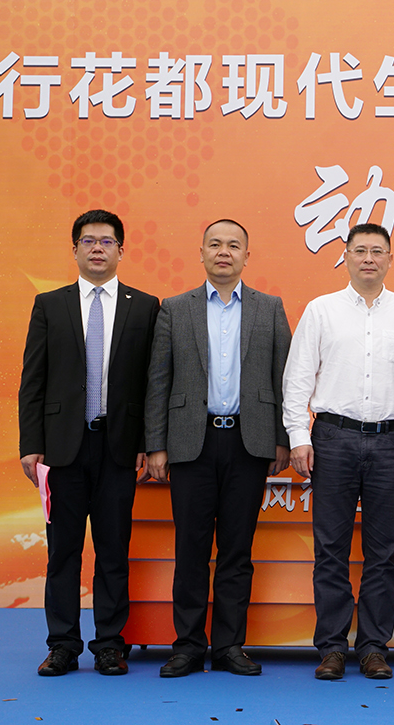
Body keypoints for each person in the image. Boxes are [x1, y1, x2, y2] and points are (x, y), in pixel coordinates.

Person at [144, 219, 292, 678]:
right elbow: (158, 380)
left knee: (236, 550)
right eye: (215, 244)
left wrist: (283, 438)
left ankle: (229, 645)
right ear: (202, 253)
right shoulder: (174, 309)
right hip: (191, 442)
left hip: (249, 442)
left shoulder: (270, 308)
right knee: (190, 548)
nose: (224, 252)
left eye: (233, 245)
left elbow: (285, 377)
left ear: (247, 256)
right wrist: (156, 444)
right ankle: (188, 646)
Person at [18, 209, 160, 676]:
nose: (97, 248)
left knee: (113, 550)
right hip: (62, 448)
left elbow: (152, 383)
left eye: (106, 241)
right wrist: (30, 443)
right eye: (88, 241)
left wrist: (147, 442)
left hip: (119, 447)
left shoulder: (145, 307)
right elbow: (33, 381)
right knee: (62, 551)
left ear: (122, 250)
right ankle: (62, 644)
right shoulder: (49, 305)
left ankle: (109, 645)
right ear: (75, 249)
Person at [282, 223, 394, 681]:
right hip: (332, 438)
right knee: (331, 550)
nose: (368, 258)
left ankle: (374, 648)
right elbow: (298, 378)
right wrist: (298, 436)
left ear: (390, 259)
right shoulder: (321, 310)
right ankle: (331, 647)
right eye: (359, 250)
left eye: (377, 251)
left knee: (383, 552)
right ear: (345, 257)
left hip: (391, 441)